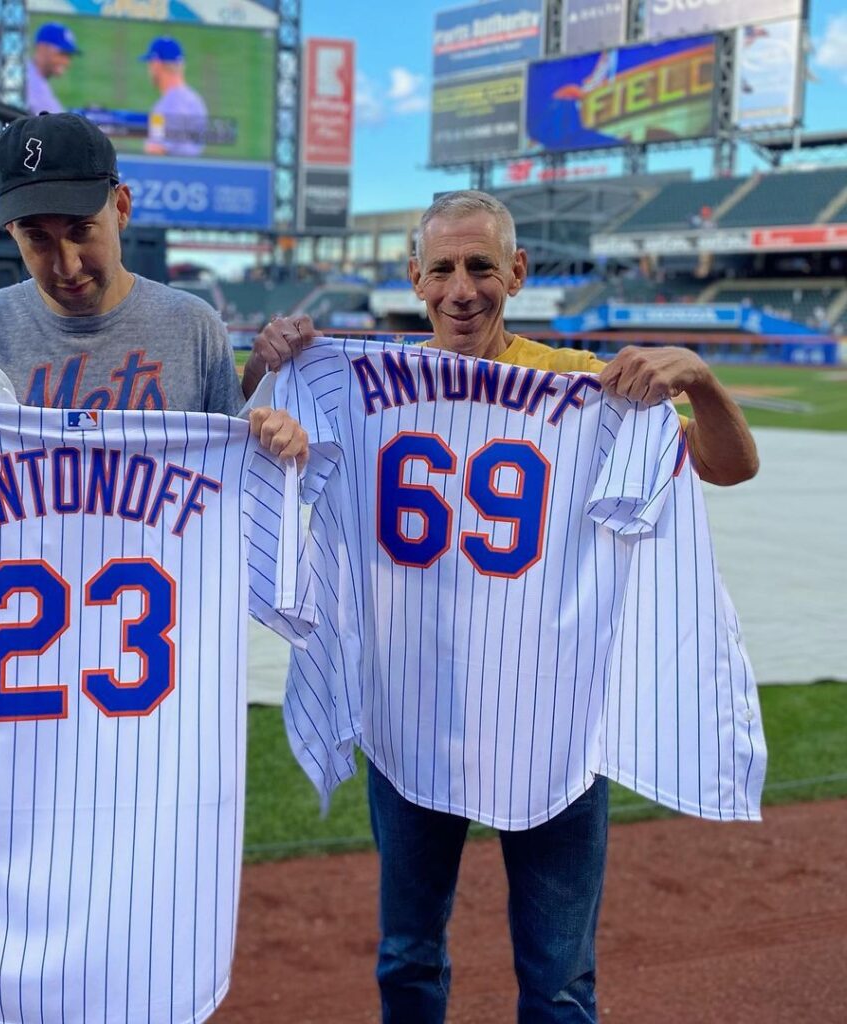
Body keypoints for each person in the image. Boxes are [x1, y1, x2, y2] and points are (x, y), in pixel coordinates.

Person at [249, 190, 759, 1023]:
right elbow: (261, 429)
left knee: (559, 980)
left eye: (481, 266)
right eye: (443, 268)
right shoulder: (362, 382)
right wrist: (268, 361)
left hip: (550, 711)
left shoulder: (584, 386)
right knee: (407, 956)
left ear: (516, 273)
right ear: (414, 278)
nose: (462, 288)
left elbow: (729, 468)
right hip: (413, 706)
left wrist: (697, 376)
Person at [0, 112, 305, 472]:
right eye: (38, 238)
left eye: (81, 230)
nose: (67, 264)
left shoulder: (192, 325)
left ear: (120, 207)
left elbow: (233, 467)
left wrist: (274, 427)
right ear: (12, 230)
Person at [139, 37, 209, 157]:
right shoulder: (194, 99)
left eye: (150, 64)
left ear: (156, 64)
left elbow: (156, 150)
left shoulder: (171, 105)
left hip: (169, 174)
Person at [26, 22, 80, 115]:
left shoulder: (37, 78)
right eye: (62, 54)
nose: (66, 62)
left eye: (69, 56)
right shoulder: (29, 80)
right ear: (42, 48)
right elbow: (57, 123)